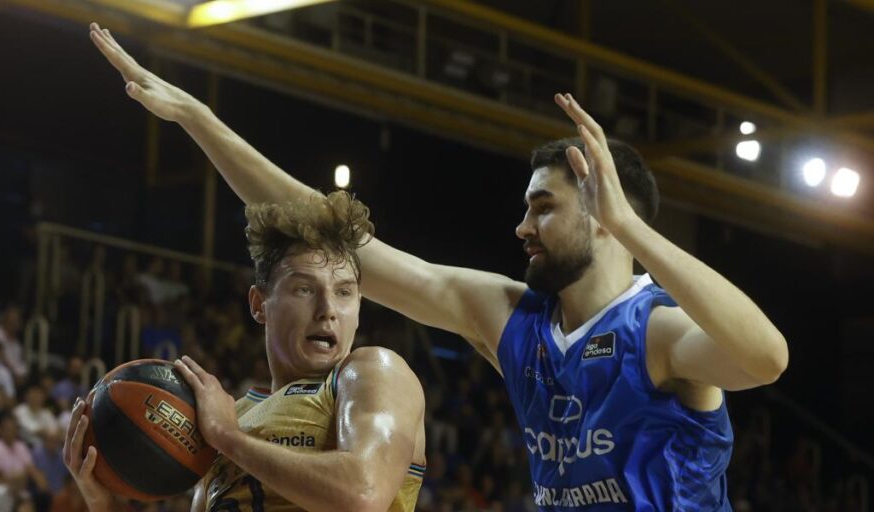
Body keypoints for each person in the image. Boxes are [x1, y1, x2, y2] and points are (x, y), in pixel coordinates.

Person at [87, 23, 790, 510]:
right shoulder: (510, 316)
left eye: (543, 207)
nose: (522, 227)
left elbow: (765, 358)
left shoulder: (659, 330)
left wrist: (635, 228)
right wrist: (198, 119)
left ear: (604, 213)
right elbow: (336, 233)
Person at [63, 175, 426, 510]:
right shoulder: (221, 420)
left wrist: (229, 438)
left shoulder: (373, 372)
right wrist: (105, 504)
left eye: (344, 292)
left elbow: (363, 494)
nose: (328, 310)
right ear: (258, 304)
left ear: (359, 309)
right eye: (304, 289)